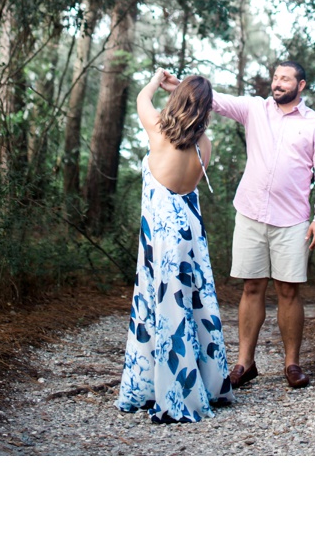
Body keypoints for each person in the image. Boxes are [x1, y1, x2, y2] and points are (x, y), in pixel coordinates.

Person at [175, 61, 315, 390]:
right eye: (276, 77)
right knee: (251, 287)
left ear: (301, 85)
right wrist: (177, 86)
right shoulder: (254, 109)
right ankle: (244, 363)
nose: (278, 83)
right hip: (250, 213)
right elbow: (213, 99)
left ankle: (292, 364)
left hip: (292, 220)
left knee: (289, 290)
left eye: (286, 79)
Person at [115, 71, 235, 423]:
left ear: (179, 100)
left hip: (163, 235)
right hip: (189, 232)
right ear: (206, 110)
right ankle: (206, 384)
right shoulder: (205, 145)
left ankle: (175, 394)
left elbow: (142, 98)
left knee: (166, 309)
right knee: (194, 306)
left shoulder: (159, 132)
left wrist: (156, 81)